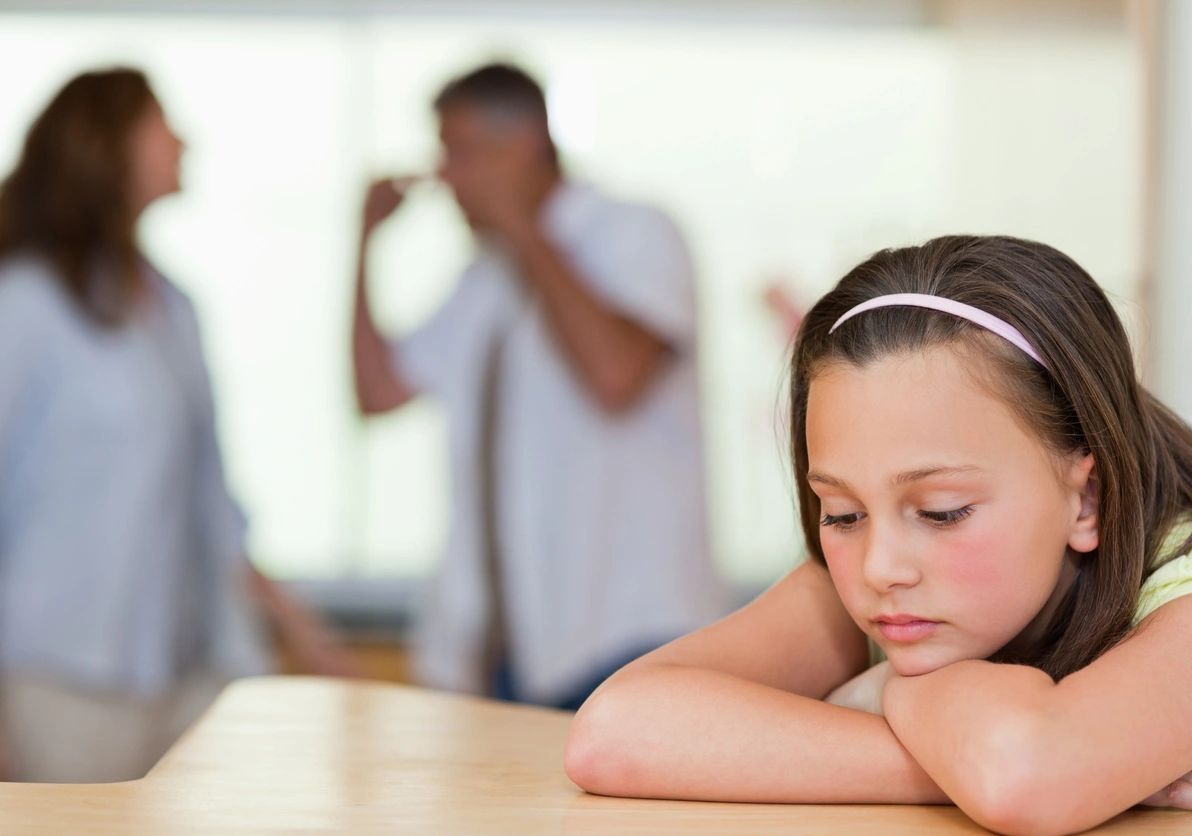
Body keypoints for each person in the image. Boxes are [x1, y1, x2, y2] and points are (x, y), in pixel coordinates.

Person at [565, 235, 1192, 833]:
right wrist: (956, 757)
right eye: (840, 513)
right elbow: (615, 732)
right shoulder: (890, 579)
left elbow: (1024, 777)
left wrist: (895, 693)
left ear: (1087, 499)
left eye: (943, 510)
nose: (880, 567)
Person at [0, 68, 359, 783]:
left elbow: (210, 507)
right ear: (106, 146)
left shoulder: (171, 307)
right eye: (161, 124)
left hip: (184, 676)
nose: (183, 141)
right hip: (60, 686)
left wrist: (301, 632)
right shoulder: (26, 304)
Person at [352, 63, 728, 709]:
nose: (444, 177)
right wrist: (363, 246)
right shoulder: (485, 278)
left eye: (458, 152)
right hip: (515, 654)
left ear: (523, 144)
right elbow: (379, 392)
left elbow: (614, 375)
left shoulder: (635, 232)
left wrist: (524, 225)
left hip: (632, 638)